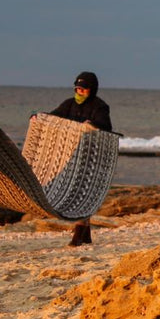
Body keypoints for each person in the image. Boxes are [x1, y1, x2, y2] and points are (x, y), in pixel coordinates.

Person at [44, 70, 111, 246]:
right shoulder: (68, 104)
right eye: (77, 89)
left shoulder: (100, 107)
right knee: (75, 190)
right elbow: (54, 116)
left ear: (92, 89)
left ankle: (78, 233)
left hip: (91, 156)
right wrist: (39, 117)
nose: (79, 92)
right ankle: (86, 233)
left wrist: (93, 125)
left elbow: (106, 128)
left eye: (83, 89)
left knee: (84, 192)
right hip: (72, 155)